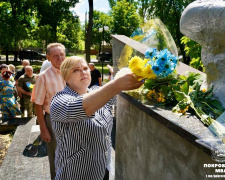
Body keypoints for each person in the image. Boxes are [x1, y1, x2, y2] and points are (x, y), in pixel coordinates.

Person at [50, 56, 143, 180]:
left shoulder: (96, 91)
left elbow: (123, 93)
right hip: (75, 173)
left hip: (102, 168)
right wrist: (116, 84)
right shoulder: (59, 100)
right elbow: (83, 107)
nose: (83, 72)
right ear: (66, 77)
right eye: (76, 70)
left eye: (85, 68)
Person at [34, 43, 66, 179]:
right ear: (48, 58)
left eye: (62, 55)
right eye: (55, 56)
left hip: (74, 119)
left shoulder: (72, 72)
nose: (59, 58)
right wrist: (43, 128)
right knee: (56, 157)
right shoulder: (43, 77)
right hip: (54, 120)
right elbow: (38, 104)